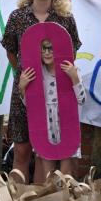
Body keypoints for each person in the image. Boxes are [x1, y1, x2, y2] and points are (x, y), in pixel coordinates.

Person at [1, 0, 81, 181]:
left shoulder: (65, 19)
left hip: (56, 93)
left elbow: (70, 52)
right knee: (22, 149)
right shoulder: (17, 17)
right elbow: (11, 51)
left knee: (46, 152)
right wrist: (27, 75)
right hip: (26, 89)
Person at [17, 38, 86, 181]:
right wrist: (22, 88)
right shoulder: (37, 72)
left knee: (66, 175)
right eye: (43, 49)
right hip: (46, 129)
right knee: (48, 176)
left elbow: (82, 99)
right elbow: (31, 105)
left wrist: (74, 77)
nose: (47, 53)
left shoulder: (71, 70)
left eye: (50, 48)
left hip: (66, 127)